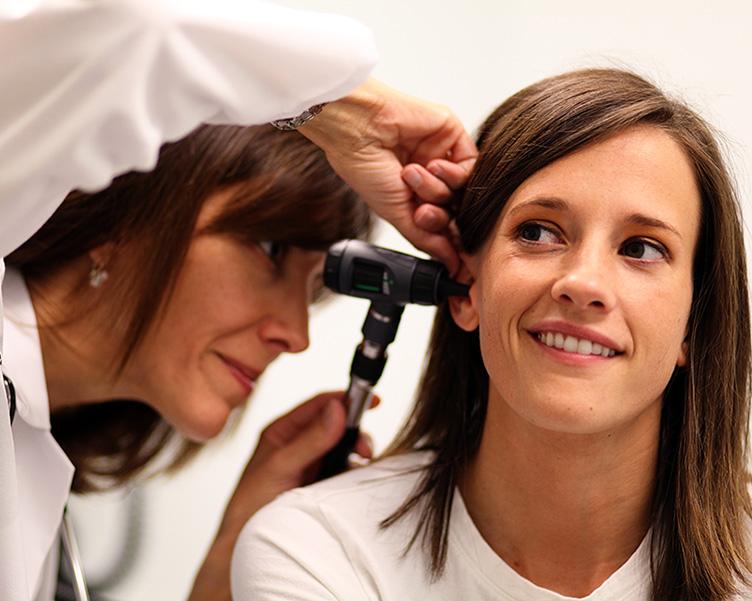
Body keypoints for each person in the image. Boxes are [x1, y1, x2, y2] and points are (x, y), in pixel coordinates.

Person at [0, 2, 476, 600]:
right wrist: (350, 109)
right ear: (122, 209)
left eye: (313, 288)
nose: (296, 335)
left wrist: (229, 560)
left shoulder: (36, 483)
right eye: (271, 249)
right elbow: (141, 29)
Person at [231, 68, 752, 601]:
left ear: (694, 321)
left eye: (641, 247)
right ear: (467, 288)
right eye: (537, 232)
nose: (583, 283)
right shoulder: (317, 551)